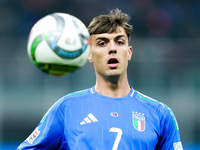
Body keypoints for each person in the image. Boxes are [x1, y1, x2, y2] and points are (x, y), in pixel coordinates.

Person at [17, 9, 183, 150]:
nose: (112, 49)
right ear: (89, 54)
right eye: (102, 43)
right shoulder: (67, 108)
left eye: (119, 42)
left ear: (129, 52)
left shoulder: (160, 114)